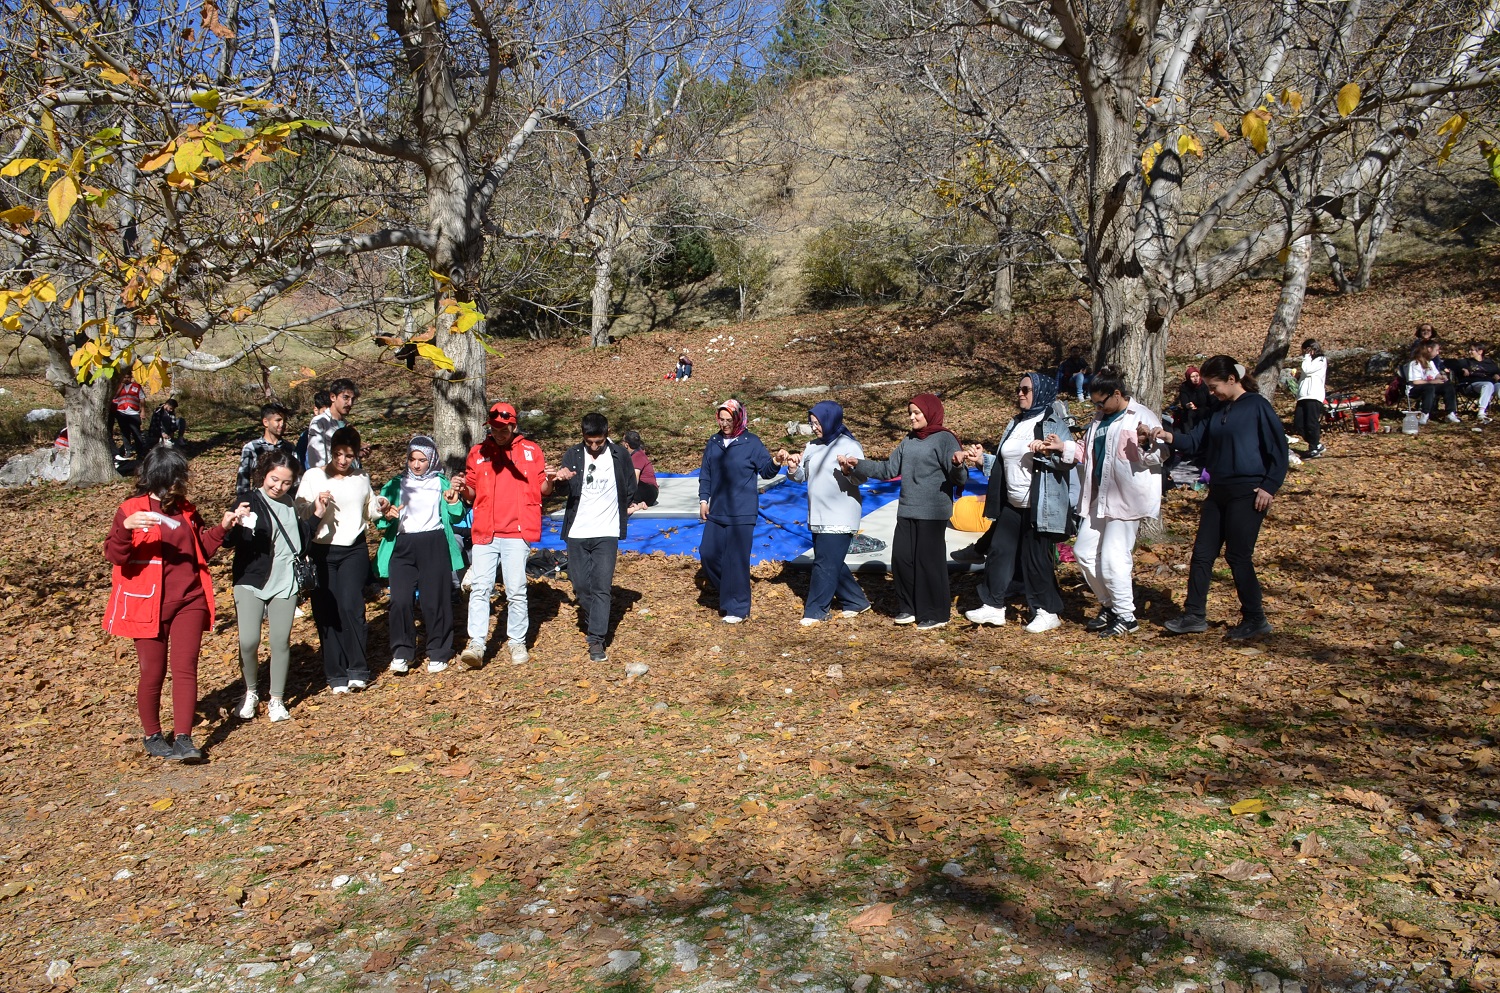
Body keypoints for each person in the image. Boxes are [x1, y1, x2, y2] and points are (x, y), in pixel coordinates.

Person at [104, 447, 247, 762]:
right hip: (148, 603)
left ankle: (184, 739)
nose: (180, 482)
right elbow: (115, 556)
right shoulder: (131, 509)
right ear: (159, 477)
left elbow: (201, 550)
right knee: (152, 672)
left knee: (185, 668)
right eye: (176, 476)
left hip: (190, 599)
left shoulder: (186, 509)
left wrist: (223, 528)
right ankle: (153, 735)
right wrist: (125, 530)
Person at [1149, 355, 1288, 640]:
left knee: (1238, 555)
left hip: (1248, 491)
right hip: (1219, 490)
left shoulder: (1257, 406)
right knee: (1202, 553)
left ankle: (1255, 618)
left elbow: (1278, 450)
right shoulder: (1217, 410)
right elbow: (1195, 441)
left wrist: (1269, 487)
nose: (1211, 393)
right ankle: (1194, 615)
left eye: (1214, 387)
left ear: (1232, 379)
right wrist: (1167, 435)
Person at [1031, 367, 1168, 637]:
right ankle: (1110, 606)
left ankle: (1127, 616)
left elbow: (1160, 454)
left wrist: (1145, 443)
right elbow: (1087, 451)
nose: (1098, 407)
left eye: (1101, 402)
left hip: (1127, 500)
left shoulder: (1141, 416)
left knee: (1114, 559)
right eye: (1095, 403)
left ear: (1116, 394)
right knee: (1083, 552)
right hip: (1099, 497)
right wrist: (1061, 446)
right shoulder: (1098, 419)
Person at [838, 394, 966, 630]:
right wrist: (859, 464)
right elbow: (888, 469)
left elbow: (960, 478)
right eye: (910, 413)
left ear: (930, 413)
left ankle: (936, 613)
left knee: (928, 563)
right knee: (902, 559)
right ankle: (910, 607)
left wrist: (958, 465)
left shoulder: (945, 439)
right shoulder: (909, 439)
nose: (912, 417)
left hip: (933, 511)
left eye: (917, 413)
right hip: (907, 508)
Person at [960, 373, 1072, 633]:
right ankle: (993, 606)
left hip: (1040, 505)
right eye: (1019, 389)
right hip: (1012, 503)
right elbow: (1006, 462)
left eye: (1026, 389)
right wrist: (983, 460)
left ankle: (1047, 611)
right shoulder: (1015, 423)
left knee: (1036, 560)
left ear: (1041, 392)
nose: (1020, 394)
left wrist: (1047, 452)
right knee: (999, 551)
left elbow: (1068, 461)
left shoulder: (1054, 423)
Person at [459, 402, 554, 667]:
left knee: (516, 589)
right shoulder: (478, 452)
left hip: (517, 532)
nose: (498, 434)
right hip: (485, 531)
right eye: (494, 429)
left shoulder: (531, 451)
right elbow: (471, 492)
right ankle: (476, 644)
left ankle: (516, 642)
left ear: (513, 426)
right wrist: (462, 488)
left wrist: (550, 480)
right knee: (480, 588)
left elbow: (544, 489)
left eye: (503, 429)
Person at [295, 426, 382, 693]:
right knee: (326, 611)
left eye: (349, 455)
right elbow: (300, 511)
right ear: (331, 452)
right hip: (321, 551)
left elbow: (369, 510)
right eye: (338, 454)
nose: (343, 460)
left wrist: (381, 506)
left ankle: (358, 669)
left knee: (351, 606)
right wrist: (316, 506)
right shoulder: (313, 476)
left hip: (353, 550)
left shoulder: (361, 477)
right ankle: (335, 673)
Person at [226, 449, 309, 724]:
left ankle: (277, 698)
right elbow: (229, 541)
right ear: (264, 474)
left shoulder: (292, 504)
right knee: (248, 641)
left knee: (280, 641)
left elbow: (302, 542)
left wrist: (317, 515)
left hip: (285, 581)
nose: (279, 486)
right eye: (274, 479)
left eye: (286, 482)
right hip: (251, 579)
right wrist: (233, 524)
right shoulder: (248, 500)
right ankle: (250, 691)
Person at [554, 414, 643, 660]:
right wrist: (560, 480)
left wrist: (620, 511)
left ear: (607, 434)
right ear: (582, 436)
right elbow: (563, 491)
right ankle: (595, 616)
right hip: (577, 531)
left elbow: (629, 487)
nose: (594, 446)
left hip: (607, 531)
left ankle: (596, 639)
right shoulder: (573, 454)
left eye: (599, 442)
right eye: (589, 441)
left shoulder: (620, 455)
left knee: (602, 586)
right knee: (581, 586)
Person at [376, 436, 466, 674]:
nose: (416, 464)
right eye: (412, 459)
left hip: (433, 543)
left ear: (432, 460)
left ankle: (438, 650)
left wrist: (454, 502)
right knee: (400, 601)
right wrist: (386, 515)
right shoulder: (396, 484)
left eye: (422, 460)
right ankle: (402, 651)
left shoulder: (440, 483)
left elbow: (456, 515)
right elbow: (380, 518)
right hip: (403, 545)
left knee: (434, 600)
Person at [777, 401, 871, 626]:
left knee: (824, 564)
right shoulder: (812, 446)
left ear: (831, 420)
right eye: (812, 423)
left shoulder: (849, 445)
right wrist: (793, 467)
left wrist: (848, 470)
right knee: (830, 561)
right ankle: (856, 601)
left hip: (840, 514)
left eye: (818, 423)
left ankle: (816, 611)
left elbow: (862, 477)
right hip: (818, 515)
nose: (815, 427)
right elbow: (801, 476)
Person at [698, 398, 780, 623]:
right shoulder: (714, 442)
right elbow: (706, 474)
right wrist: (704, 500)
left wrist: (776, 461)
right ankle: (729, 592)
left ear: (739, 419)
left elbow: (766, 471)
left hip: (742, 512)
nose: (724, 424)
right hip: (717, 510)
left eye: (729, 420)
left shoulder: (751, 442)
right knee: (708, 554)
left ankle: (738, 608)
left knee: (736, 560)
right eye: (721, 419)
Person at [236, 403, 296, 501]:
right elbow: (243, 480)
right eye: (278, 420)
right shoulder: (252, 448)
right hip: (259, 501)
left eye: (284, 421)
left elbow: (295, 479)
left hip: (284, 501)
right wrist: (244, 502)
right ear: (265, 422)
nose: (282, 424)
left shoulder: (289, 448)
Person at [305, 379, 360, 469]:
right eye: (345, 398)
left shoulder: (347, 425)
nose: (350, 403)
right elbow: (317, 461)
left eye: (352, 399)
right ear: (333, 397)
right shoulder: (320, 422)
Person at [1292, 339, 1329, 457]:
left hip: (1313, 395)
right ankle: (1316, 444)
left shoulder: (1320, 360)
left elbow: (1308, 370)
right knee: (1299, 424)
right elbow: (1307, 374)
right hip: (1303, 396)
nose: (1303, 353)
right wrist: (1298, 377)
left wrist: (1307, 357)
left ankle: (1313, 448)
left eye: (1305, 351)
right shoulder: (1308, 362)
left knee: (1311, 423)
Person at [1407, 341, 1459, 424]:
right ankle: (1425, 414)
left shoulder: (1430, 362)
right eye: (1436, 350)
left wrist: (1442, 377)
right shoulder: (1415, 363)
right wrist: (1432, 381)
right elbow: (1416, 381)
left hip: (1430, 385)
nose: (1438, 353)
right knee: (1429, 387)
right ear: (1429, 349)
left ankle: (1450, 413)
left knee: (1448, 386)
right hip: (1415, 389)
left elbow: (1436, 374)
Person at [1457, 343, 1499, 424]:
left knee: (1497, 386)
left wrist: (1497, 375)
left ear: (1480, 351)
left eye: (1472, 350)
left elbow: (1497, 371)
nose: (1469, 352)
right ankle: (1481, 413)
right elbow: (1450, 363)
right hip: (1471, 385)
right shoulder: (1466, 362)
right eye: (1469, 350)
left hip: (1490, 386)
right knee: (1488, 385)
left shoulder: (1489, 362)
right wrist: (1462, 369)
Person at [1169, 366, 1212, 434]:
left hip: (1204, 409)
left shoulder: (1205, 385)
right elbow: (1184, 402)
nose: (1195, 378)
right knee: (1187, 414)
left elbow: (1210, 401)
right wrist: (1188, 405)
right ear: (1188, 378)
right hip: (1190, 410)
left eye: (1197, 376)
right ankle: (1189, 434)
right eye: (1192, 377)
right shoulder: (1184, 387)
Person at [111, 379, 146, 461]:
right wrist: (121, 386)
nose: (126, 379)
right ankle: (128, 451)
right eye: (124, 377)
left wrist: (143, 411)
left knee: (136, 433)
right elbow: (115, 396)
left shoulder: (137, 386)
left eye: (128, 377)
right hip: (121, 412)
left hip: (133, 412)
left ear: (130, 377)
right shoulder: (119, 386)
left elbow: (142, 398)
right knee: (125, 433)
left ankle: (140, 452)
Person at [622, 430, 659, 507]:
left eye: (623, 441)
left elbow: (635, 478)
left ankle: (636, 504)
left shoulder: (637, 456)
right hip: (648, 490)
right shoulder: (637, 454)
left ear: (626, 444)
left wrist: (630, 496)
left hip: (649, 491)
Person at [295, 389, 330, 468]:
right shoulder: (305, 437)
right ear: (316, 410)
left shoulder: (339, 431)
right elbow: (300, 461)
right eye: (325, 413)